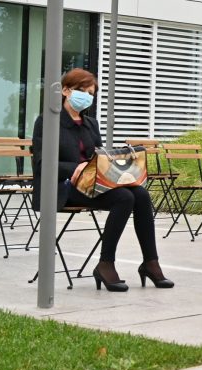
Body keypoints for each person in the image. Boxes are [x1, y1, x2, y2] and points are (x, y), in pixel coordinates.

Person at [30, 68, 173, 292]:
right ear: (66, 91)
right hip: (62, 186)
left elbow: (98, 158)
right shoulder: (47, 121)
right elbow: (42, 164)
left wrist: (115, 166)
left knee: (141, 194)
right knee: (124, 198)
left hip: (91, 184)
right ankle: (106, 263)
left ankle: (150, 262)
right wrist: (75, 168)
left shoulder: (91, 124)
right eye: (82, 91)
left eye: (91, 93)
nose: (87, 97)